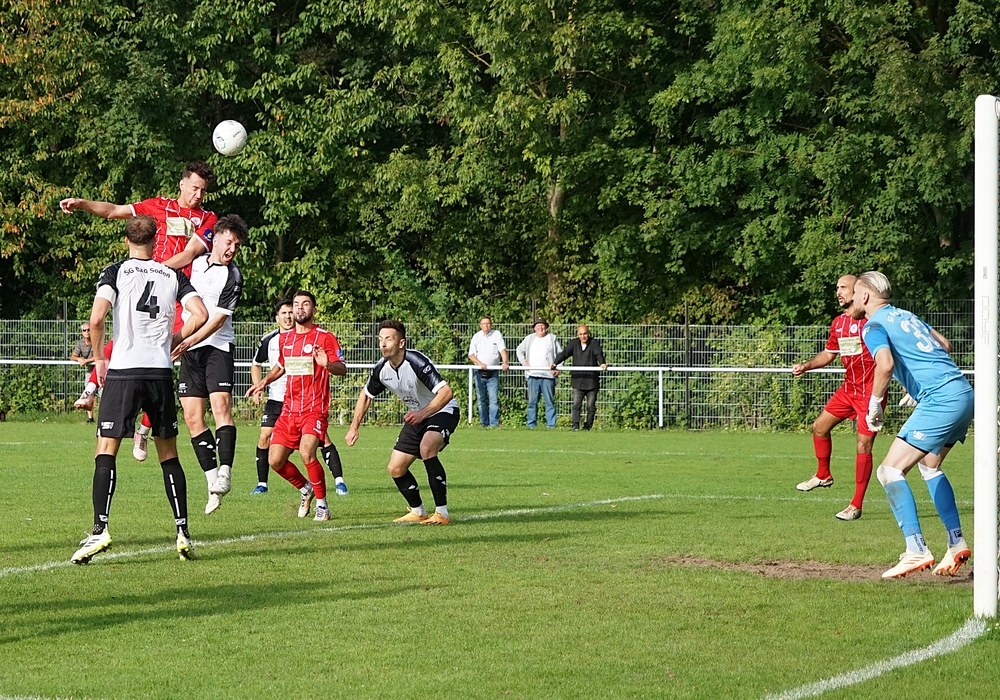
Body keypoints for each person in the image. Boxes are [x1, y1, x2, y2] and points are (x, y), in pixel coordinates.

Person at [71, 215, 208, 565]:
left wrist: (100, 358)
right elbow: (200, 313)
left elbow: (97, 318)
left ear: (126, 240)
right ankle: (183, 532)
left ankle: (100, 529)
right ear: (156, 240)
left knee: (106, 449)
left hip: (124, 370)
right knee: (169, 454)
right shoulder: (172, 274)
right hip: (159, 371)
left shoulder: (115, 271)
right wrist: (174, 340)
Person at [61, 160, 219, 461]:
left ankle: (144, 429)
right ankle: (91, 389)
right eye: (194, 188)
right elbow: (113, 210)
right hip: (146, 291)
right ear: (182, 183)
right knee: (124, 339)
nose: (198, 195)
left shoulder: (207, 218)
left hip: (174, 296)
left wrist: (153, 272)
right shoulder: (157, 206)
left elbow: (189, 253)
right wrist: (82, 204)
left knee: (160, 364)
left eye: (203, 190)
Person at [849, 271, 973, 579]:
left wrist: (875, 404)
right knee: (930, 466)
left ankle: (916, 548)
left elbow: (885, 365)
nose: (851, 299)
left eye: (853, 293)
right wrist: (916, 381)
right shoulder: (906, 316)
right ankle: (956, 542)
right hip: (963, 393)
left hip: (940, 400)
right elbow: (944, 345)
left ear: (865, 296)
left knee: (889, 471)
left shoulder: (873, 325)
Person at [246, 291, 347, 522]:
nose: (299, 308)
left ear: (314, 310)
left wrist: (328, 364)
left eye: (305, 304)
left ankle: (322, 505)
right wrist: (262, 383)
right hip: (289, 409)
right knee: (275, 460)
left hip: (314, 408)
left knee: (306, 452)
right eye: (296, 304)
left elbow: (342, 368)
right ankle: (305, 488)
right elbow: (281, 366)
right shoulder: (286, 339)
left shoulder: (324, 337)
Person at [345, 320, 458, 525]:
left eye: (388, 339)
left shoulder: (415, 361)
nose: (383, 344)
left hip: (443, 410)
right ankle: (418, 511)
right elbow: (366, 394)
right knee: (395, 468)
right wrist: (354, 427)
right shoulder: (381, 369)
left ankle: (442, 513)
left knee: (427, 448)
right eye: (380, 339)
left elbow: (446, 393)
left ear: (401, 343)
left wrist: (422, 414)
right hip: (418, 415)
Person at [170, 215, 247, 515]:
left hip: (217, 347)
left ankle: (226, 471)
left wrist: (188, 339)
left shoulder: (233, 275)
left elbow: (217, 320)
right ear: (216, 238)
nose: (232, 249)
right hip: (191, 349)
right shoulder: (195, 263)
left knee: (220, 407)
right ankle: (212, 482)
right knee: (192, 417)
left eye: (237, 246)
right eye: (229, 242)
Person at [791, 275, 883, 520]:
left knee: (863, 446)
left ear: (857, 292)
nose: (839, 292)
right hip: (848, 390)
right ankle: (823, 475)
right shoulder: (839, 323)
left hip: (870, 393)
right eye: (837, 288)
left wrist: (907, 383)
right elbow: (829, 354)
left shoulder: (873, 322)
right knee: (819, 427)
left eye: (844, 288)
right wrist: (806, 366)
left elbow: (892, 355)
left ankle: (856, 505)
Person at [550, 324, 607, 431]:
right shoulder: (574, 343)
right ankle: (575, 426)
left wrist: (602, 363)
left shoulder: (594, 343)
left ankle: (587, 427)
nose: (583, 336)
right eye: (580, 334)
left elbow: (598, 354)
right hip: (578, 381)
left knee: (591, 406)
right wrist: (555, 362)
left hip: (591, 381)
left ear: (588, 333)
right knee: (576, 405)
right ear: (578, 334)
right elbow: (565, 353)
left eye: (585, 334)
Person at [516, 319, 562, 428]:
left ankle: (551, 425)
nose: (540, 328)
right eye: (538, 326)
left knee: (549, 402)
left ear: (546, 327)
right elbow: (519, 350)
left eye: (542, 325)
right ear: (534, 328)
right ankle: (531, 425)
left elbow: (560, 354)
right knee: (532, 402)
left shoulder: (552, 338)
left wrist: (558, 367)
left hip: (548, 376)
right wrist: (524, 362)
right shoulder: (529, 339)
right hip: (533, 375)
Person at [467, 316, 509, 427]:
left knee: (493, 400)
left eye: (488, 323)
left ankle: (494, 424)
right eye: (484, 323)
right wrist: (480, 364)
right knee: (481, 400)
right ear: (480, 325)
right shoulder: (476, 337)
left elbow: (503, 350)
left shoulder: (497, 334)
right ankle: (483, 423)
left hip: (493, 373)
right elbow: (471, 355)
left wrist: (505, 362)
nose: (486, 325)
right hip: (479, 373)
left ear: (491, 325)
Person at [70, 323, 96, 423]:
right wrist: (79, 359)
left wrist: (86, 361)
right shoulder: (80, 343)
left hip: (99, 370)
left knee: (103, 394)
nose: (87, 332)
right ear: (82, 332)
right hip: (90, 372)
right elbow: (73, 356)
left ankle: (104, 417)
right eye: (84, 330)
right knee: (88, 394)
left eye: (88, 330)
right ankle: (90, 418)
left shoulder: (96, 340)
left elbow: (99, 355)